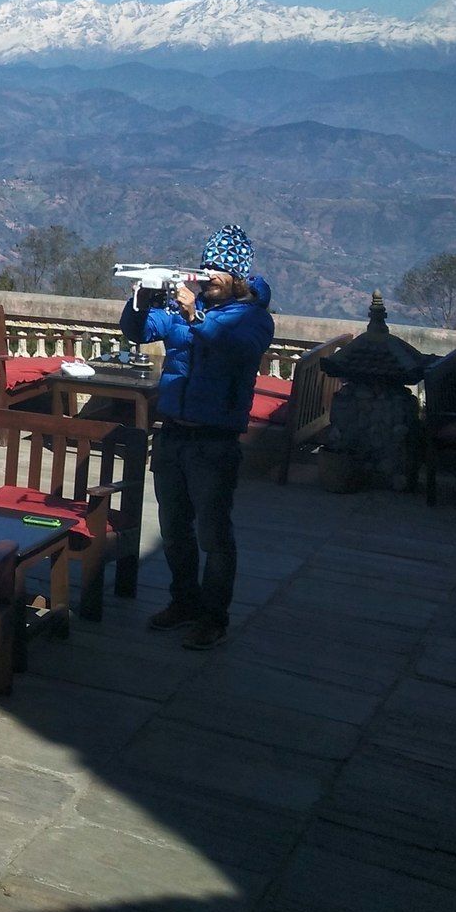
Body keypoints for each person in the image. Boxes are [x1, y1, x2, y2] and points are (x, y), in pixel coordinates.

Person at [120, 224, 274, 650]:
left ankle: (213, 617)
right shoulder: (188, 307)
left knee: (214, 534)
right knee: (173, 529)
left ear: (238, 275)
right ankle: (183, 602)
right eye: (206, 266)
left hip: (215, 440)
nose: (208, 275)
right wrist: (141, 297)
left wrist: (194, 316)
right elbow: (139, 330)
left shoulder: (253, 318)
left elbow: (232, 349)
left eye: (219, 269)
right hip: (172, 434)